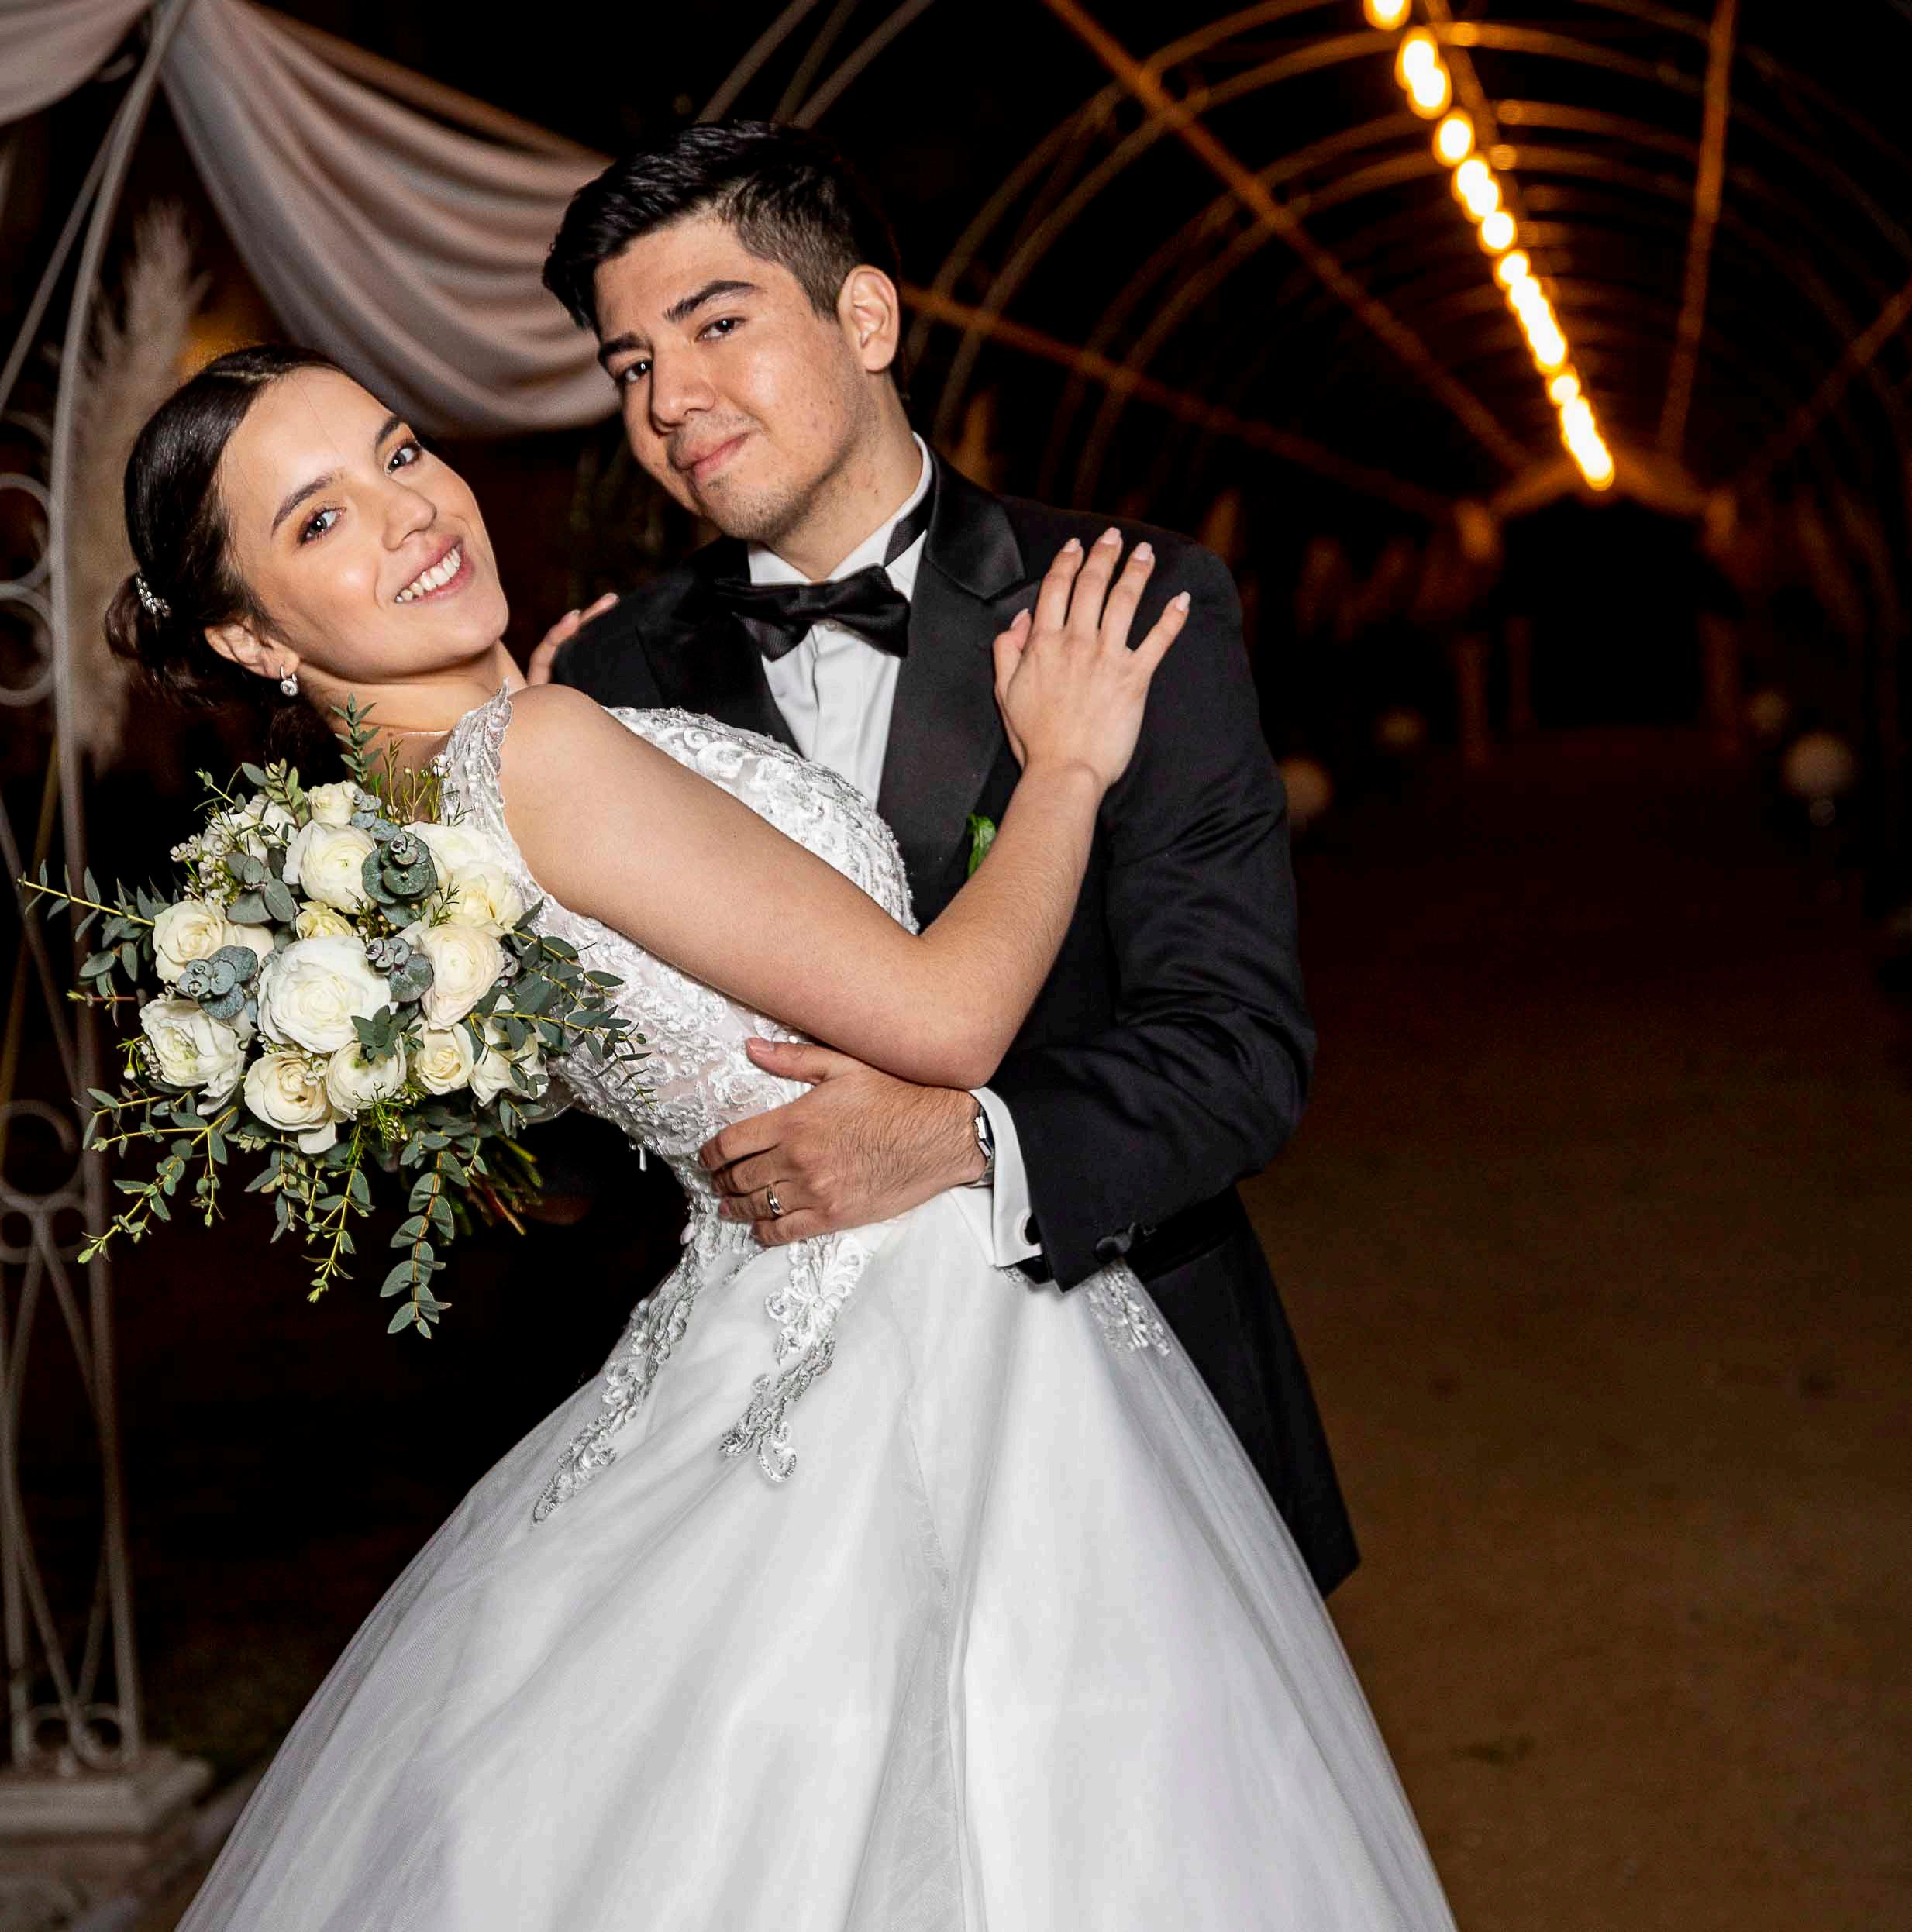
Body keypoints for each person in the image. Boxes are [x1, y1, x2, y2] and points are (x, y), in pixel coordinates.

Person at [114, 348, 1452, 1928]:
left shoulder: (404, 827)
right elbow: (947, 1019)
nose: (410, 511)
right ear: (251, 634)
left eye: (400, 451)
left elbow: (582, 1107)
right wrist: (1070, 767)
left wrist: (561, 718)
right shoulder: (540, 753)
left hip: (768, 1306)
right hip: (923, 1323)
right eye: (322, 518)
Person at [531, 121, 1357, 1596]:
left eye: (716, 325)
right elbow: (594, 1144)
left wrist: (965, 1140)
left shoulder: (1125, 600)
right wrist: (497, 924)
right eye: (631, 363)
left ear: (866, 318)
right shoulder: (605, 687)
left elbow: (1238, 1051)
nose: (669, 400)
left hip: (1125, 1407)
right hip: (764, 1467)